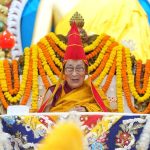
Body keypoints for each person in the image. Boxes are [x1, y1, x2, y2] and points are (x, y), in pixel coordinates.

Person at [38, 22, 109, 112]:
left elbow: (106, 110)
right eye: (70, 68)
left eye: (79, 68)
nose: (74, 73)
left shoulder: (93, 91)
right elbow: (43, 118)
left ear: (86, 71)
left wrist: (86, 109)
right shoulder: (54, 92)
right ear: (63, 72)